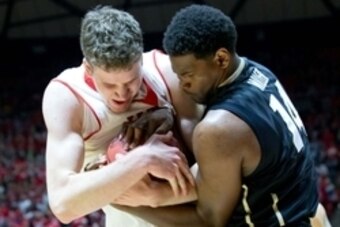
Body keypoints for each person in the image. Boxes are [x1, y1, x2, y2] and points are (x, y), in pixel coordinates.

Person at [113, 4, 324, 226]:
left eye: (188, 75)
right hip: (303, 210)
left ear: (221, 59)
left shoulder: (219, 128)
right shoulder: (261, 74)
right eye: (177, 75)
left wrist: (127, 203)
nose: (182, 84)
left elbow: (208, 220)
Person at [42, 5, 202, 227]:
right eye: (109, 84)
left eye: (131, 80)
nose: (122, 93)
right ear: (88, 68)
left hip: (189, 218)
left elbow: (215, 170)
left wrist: (158, 194)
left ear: (141, 60)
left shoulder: (165, 71)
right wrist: (144, 159)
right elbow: (63, 205)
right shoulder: (67, 96)